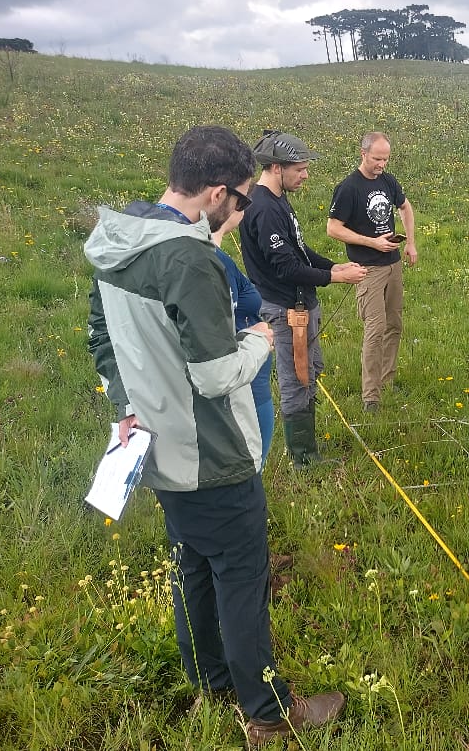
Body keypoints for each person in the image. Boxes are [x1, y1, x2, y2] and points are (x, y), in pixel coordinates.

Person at [85, 126, 344, 744]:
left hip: (155, 446)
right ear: (219, 193)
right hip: (213, 455)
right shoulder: (191, 260)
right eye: (242, 197)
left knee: (193, 565)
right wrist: (262, 336)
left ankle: (208, 678)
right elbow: (214, 375)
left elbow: (102, 336)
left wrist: (124, 405)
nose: (241, 209)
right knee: (240, 577)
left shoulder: (120, 237)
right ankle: (268, 712)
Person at [240, 130, 368, 468]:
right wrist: (334, 277)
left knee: (311, 371)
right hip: (285, 310)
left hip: (301, 305)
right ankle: (304, 459)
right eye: (300, 168)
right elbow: (285, 267)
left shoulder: (278, 199)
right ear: (277, 167)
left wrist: (331, 265)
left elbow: (298, 249)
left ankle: (307, 450)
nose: (305, 175)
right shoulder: (264, 207)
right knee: (297, 379)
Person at [327, 132, 417, 412]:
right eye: (377, 158)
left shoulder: (388, 181)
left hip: (393, 264)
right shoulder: (349, 188)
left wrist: (410, 242)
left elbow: (405, 206)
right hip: (368, 268)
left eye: (386, 159)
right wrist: (371, 242)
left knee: (394, 324)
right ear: (363, 153)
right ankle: (371, 396)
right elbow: (333, 228)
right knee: (375, 329)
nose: (381, 164)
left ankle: (387, 380)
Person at [212, 209, 276, 463]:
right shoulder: (212, 263)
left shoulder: (217, 258)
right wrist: (257, 335)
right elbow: (217, 335)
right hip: (242, 390)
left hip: (250, 380)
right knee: (248, 467)